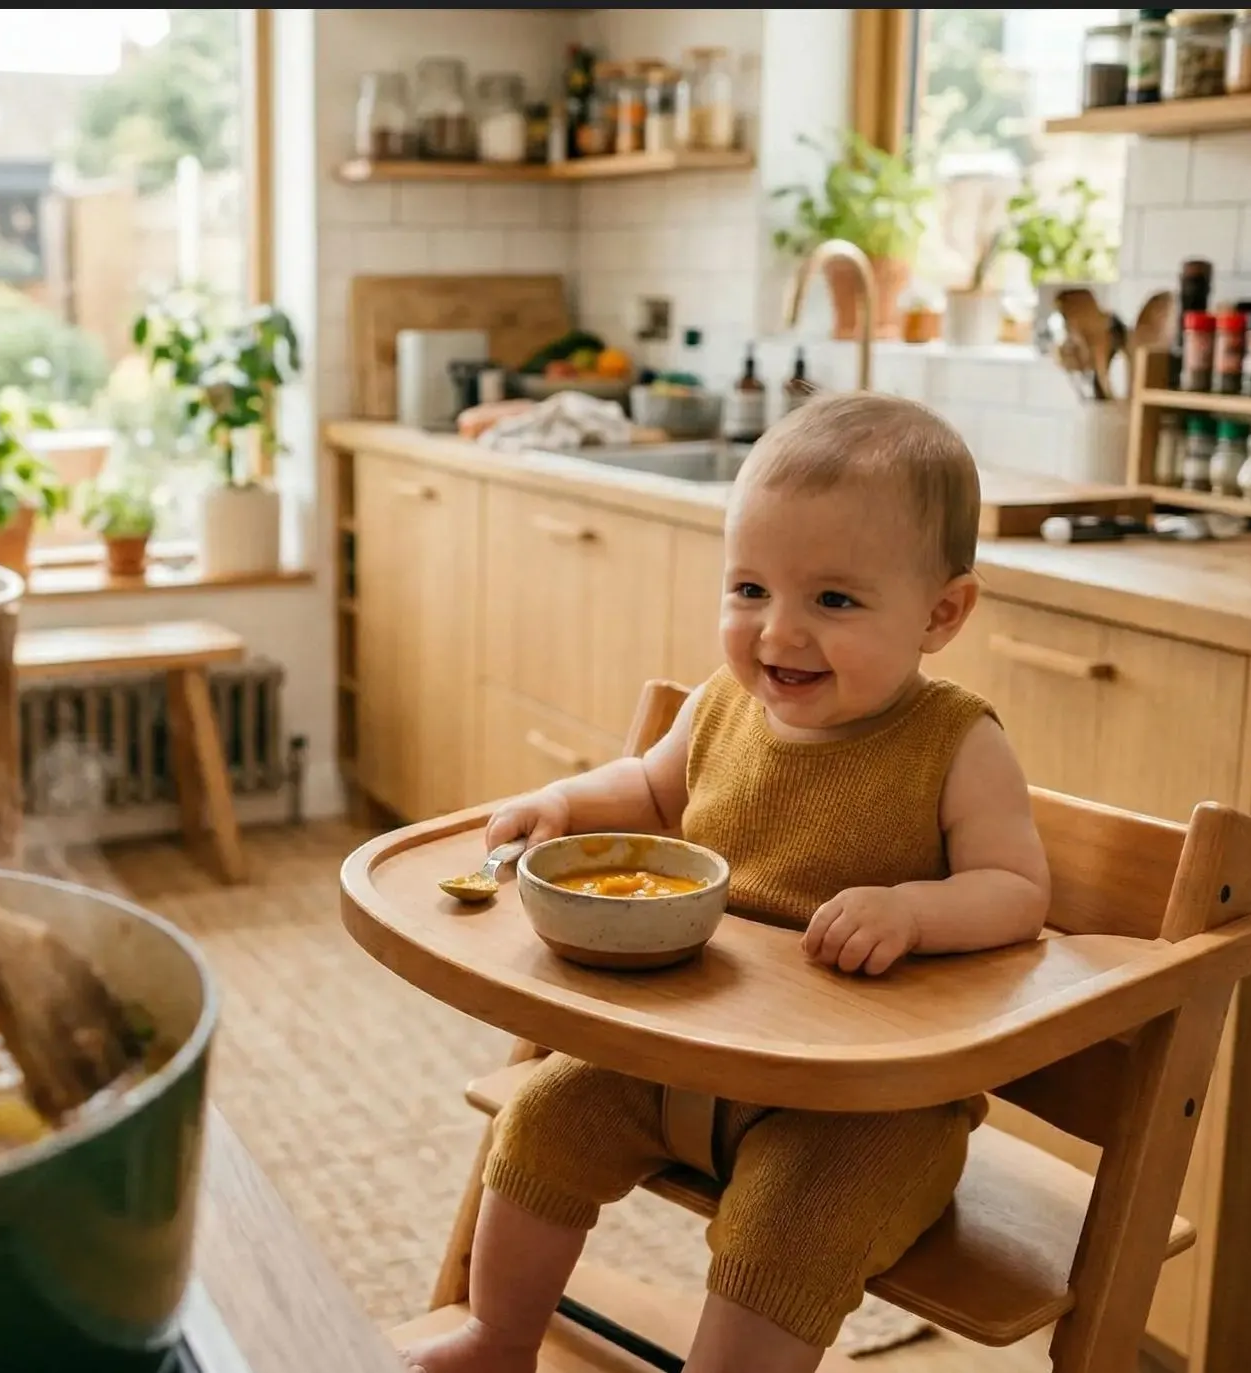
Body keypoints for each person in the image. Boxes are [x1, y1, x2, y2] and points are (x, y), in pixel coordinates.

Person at [403, 393, 1054, 1373]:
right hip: (682, 1058)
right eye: (750, 588)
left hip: (861, 1111)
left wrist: (913, 910)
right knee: (540, 1117)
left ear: (942, 612)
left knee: (791, 1223)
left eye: (832, 600)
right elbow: (652, 789)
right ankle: (499, 1337)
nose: (777, 634)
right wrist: (567, 801)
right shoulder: (722, 706)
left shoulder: (956, 742)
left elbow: (1016, 888)